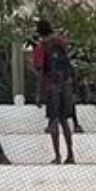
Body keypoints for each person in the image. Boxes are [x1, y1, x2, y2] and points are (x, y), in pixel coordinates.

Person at [31, 17, 79, 165]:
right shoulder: (60, 41)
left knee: (53, 120)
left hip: (52, 86)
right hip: (66, 84)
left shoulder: (41, 46)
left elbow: (40, 71)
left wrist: (38, 93)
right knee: (65, 120)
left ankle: (57, 156)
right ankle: (70, 154)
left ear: (39, 31)